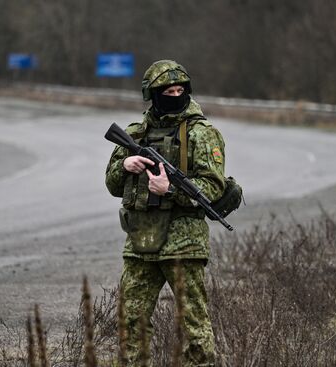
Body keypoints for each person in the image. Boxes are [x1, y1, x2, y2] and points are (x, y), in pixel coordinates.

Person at [105, 59, 226, 366]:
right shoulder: (135, 134)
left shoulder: (202, 133)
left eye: (179, 89)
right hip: (140, 242)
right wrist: (125, 165)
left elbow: (212, 188)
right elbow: (112, 184)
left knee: (194, 326)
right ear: (153, 95)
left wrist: (169, 190)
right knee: (130, 323)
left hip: (183, 245)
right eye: (168, 90)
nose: (175, 94)